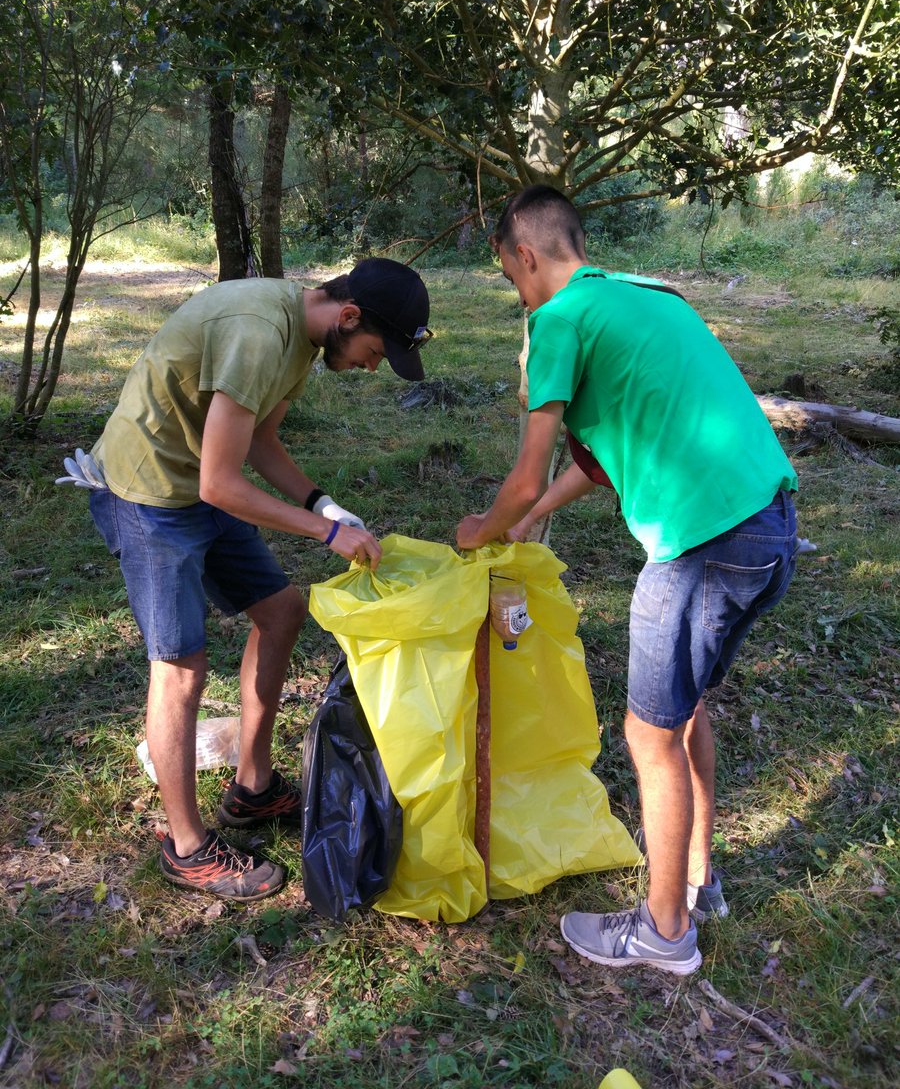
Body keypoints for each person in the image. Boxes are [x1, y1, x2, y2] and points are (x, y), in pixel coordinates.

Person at [456, 186, 797, 975]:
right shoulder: (644, 300)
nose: (516, 290)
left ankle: (664, 931)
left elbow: (526, 467)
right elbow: (599, 460)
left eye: (509, 274)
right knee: (682, 712)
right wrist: (529, 515)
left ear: (525, 256)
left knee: (648, 734)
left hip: (703, 541)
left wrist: (483, 526)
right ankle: (698, 882)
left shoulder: (557, 320)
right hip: (767, 524)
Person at [59, 258, 432, 902]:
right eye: (377, 351)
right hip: (150, 495)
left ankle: (252, 789)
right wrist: (325, 533)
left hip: (200, 486)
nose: (374, 367)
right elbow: (220, 483)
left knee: (282, 611)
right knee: (181, 669)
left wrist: (321, 504)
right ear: (348, 317)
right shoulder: (258, 331)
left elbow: (257, 439)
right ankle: (185, 846)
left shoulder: (302, 338)